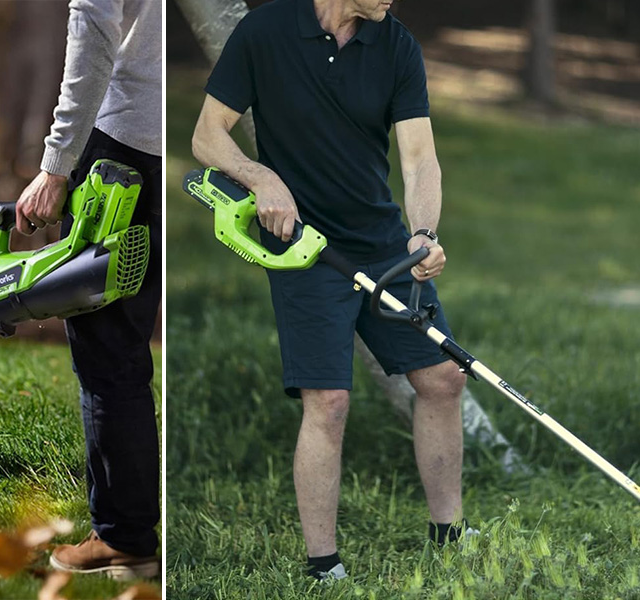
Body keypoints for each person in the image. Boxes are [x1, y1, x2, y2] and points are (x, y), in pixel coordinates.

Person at [191, 0, 472, 582]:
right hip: (302, 247)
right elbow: (207, 137)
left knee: (443, 378)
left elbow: (419, 160)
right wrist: (260, 176)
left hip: (382, 242)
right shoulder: (266, 32)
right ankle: (325, 567)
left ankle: (449, 535)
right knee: (329, 402)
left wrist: (422, 236)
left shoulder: (396, 46)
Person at [13, 0, 161, 581]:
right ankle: (131, 529)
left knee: (108, 353)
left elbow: (94, 30)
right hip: (158, 143)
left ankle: (123, 537)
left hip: (123, 145)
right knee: (127, 348)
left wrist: (56, 164)